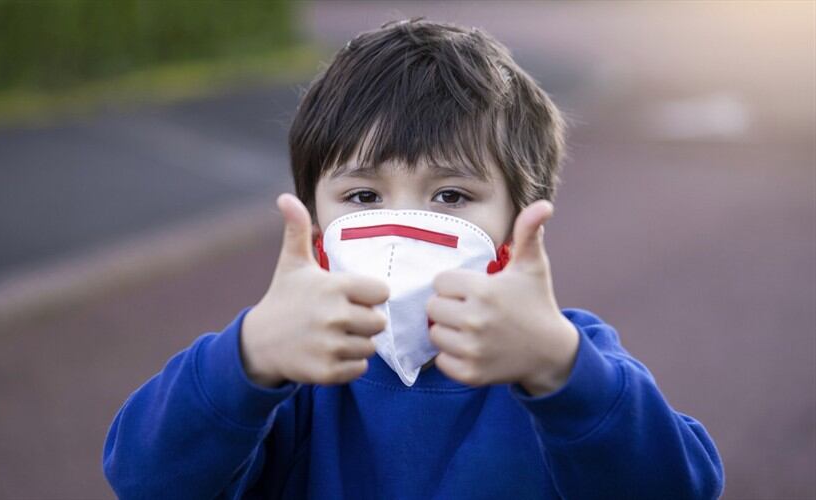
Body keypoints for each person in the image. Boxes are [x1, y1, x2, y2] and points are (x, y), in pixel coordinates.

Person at [102, 19, 723, 499]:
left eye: (451, 196)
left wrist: (563, 372)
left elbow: (678, 485)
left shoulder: (560, 356)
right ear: (316, 223)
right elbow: (143, 477)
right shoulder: (286, 364)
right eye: (363, 196)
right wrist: (250, 357)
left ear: (517, 220)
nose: (398, 228)